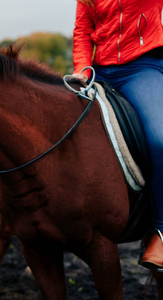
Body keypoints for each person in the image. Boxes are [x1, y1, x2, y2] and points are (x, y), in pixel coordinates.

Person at [73, 0, 163, 271]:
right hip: (99, 71)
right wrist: (81, 67)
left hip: (141, 69)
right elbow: (82, 30)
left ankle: (160, 232)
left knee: (160, 140)